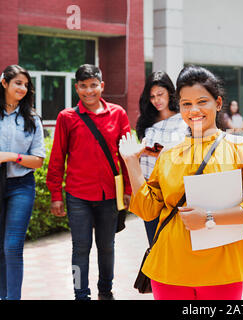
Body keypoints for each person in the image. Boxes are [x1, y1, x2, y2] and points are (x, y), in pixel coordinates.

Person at [119, 65, 243, 300]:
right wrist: (132, 162)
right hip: (169, 266)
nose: (194, 110)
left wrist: (209, 217)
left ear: (218, 103)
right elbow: (148, 210)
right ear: (179, 107)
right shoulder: (169, 154)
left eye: (202, 101)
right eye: (186, 104)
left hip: (222, 268)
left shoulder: (241, 149)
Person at [46, 64, 132, 300]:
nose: (89, 91)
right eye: (83, 86)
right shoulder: (67, 117)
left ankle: (106, 291)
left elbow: (127, 155)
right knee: (80, 250)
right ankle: (80, 294)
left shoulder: (118, 114)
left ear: (102, 86)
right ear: (77, 88)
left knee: (107, 248)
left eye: (93, 85)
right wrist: (55, 195)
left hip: (109, 196)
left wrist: (128, 188)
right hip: (77, 197)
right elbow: (57, 157)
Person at [0, 65, 45, 300]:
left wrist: (10, 156)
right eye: (18, 82)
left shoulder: (32, 119)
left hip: (21, 186)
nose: (23, 88)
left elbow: (38, 160)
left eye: (26, 85)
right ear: (4, 83)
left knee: (12, 247)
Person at [136, 71, 188, 246]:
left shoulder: (184, 120)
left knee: (175, 245)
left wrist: (162, 154)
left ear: (170, 93)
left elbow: (189, 155)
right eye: (152, 96)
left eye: (160, 94)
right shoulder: (146, 121)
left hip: (174, 192)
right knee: (154, 244)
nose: (156, 100)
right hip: (150, 189)